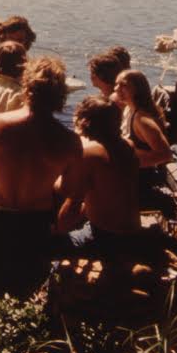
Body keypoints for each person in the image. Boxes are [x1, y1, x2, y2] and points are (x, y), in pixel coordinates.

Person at [0, 56, 82, 307]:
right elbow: (69, 189)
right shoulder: (69, 141)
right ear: (61, 95)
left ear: (26, 87)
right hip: (35, 219)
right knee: (26, 284)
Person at [55, 96, 141, 259]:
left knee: (50, 244)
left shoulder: (91, 154)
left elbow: (68, 195)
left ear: (84, 121)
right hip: (131, 232)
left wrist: (57, 231)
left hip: (105, 238)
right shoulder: (128, 145)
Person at [113, 69, 175, 215]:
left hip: (140, 182)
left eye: (124, 85)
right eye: (116, 84)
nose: (117, 89)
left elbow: (166, 154)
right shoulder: (128, 108)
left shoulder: (142, 120)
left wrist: (132, 158)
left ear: (137, 89)